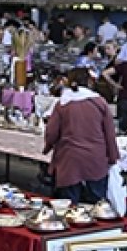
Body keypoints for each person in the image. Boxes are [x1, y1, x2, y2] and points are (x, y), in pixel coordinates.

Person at [44, 70, 120, 203]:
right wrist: (113, 157)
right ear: (90, 82)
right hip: (96, 158)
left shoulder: (63, 104)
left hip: (70, 158)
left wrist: (48, 147)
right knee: (96, 204)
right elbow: (110, 133)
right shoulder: (100, 102)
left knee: (69, 205)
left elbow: (51, 133)